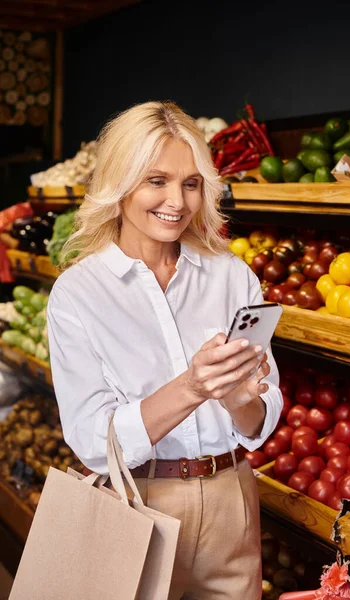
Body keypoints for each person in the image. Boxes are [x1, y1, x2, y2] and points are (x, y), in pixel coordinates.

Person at [47, 100, 283, 600]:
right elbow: (93, 441)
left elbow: (261, 420)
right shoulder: (77, 293)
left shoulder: (231, 276)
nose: (176, 201)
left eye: (191, 183)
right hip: (136, 503)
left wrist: (239, 398)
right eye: (156, 180)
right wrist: (193, 387)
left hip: (230, 497)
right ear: (121, 182)